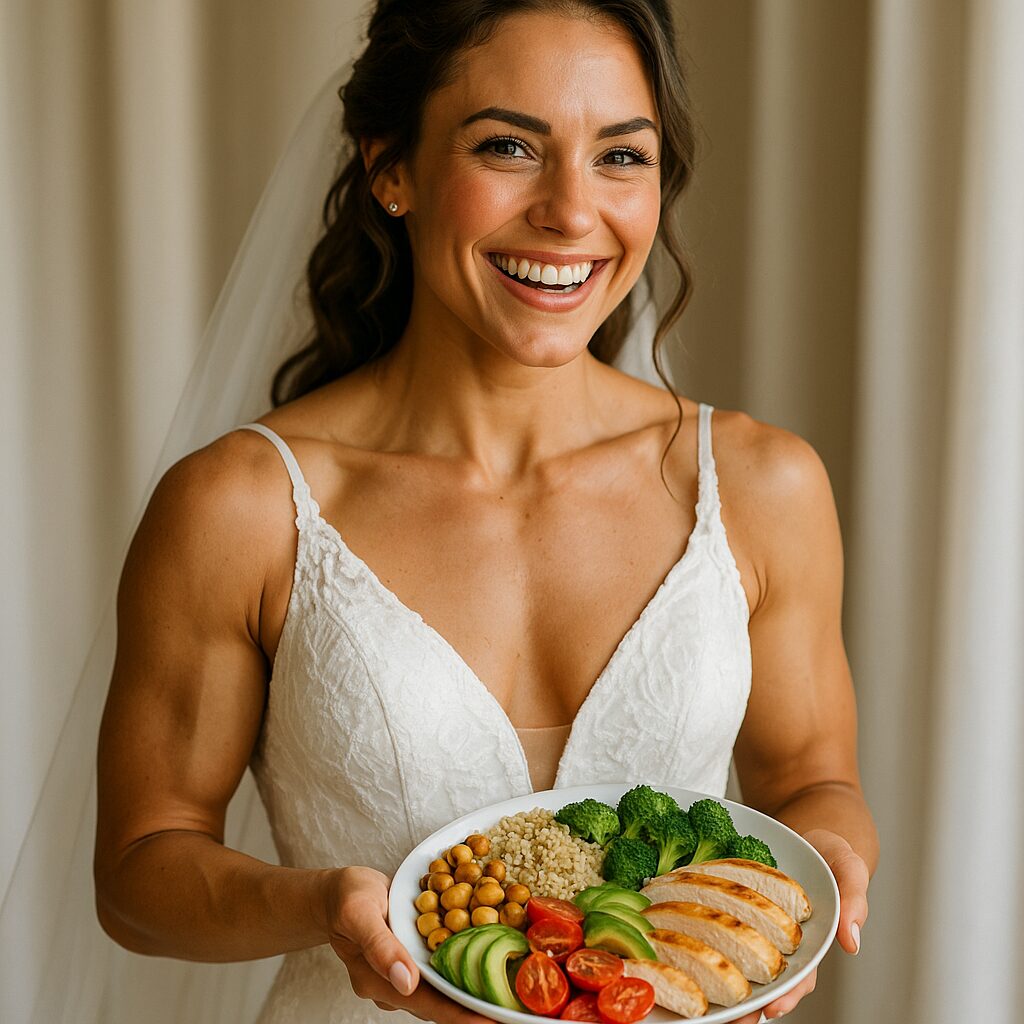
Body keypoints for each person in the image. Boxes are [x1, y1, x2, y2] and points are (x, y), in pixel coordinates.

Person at [94, 1, 879, 1021]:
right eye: (508, 146)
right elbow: (140, 872)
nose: (569, 211)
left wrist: (821, 863)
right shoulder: (244, 507)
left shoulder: (760, 485)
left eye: (619, 157)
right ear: (391, 167)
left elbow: (811, 775)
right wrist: (323, 904)